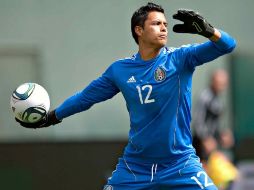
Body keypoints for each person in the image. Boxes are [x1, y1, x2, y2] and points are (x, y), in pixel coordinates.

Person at [16, 2, 236, 190]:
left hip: (180, 164)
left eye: (165, 24)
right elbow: (86, 98)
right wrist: (52, 117)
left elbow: (227, 45)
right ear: (139, 30)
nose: (163, 28)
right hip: (135, 166)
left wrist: (209, 31)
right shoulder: (120, 70)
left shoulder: (180, 59)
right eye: (156, 23)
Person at [192, 69, 235, 163]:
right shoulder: (205, 96)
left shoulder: (218, 98)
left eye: (224, 83)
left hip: (213, 142)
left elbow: (216, 121)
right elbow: (198, 120)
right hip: (201, 143)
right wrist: (205, 138)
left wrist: (223, 134)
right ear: (213, 81)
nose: (221, 86)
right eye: (219, 83)